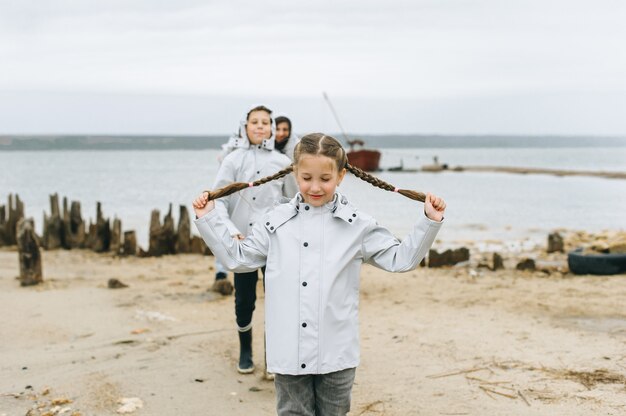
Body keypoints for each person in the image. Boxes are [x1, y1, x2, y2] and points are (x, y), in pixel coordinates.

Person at [193, 133, 446, 415]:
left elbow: (401, 260)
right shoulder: (274, 222)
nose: (315, 187)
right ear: (294, 173)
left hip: (337, 353)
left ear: (341, 176)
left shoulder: (358, 226)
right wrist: (209, 218)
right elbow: (237, 258)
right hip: (288, 351)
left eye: (325, 179)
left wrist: (428, 223)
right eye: (306, 178)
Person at [211, 104, 297, 374]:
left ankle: (274, 358)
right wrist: (230, 230)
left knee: (277, 301)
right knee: (244, 301)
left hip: (275, 243)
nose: (261, 126)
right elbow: (218, 201)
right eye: (255, 122)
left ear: (272, 129)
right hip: (244, 242)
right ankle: (245, 351)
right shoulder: (232, 160)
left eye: (265, 122)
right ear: (245, 127)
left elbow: (293, 202)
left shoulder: (283, 164)